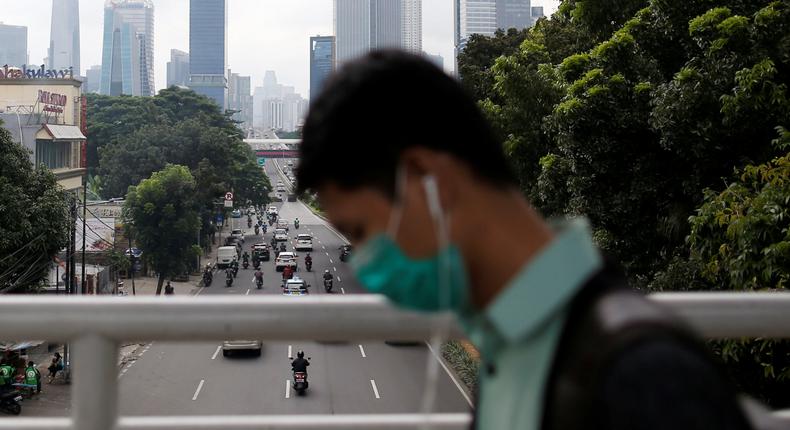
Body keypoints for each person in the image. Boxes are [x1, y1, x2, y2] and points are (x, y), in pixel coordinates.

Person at [295, 50, 752, 430]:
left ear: (422, 177)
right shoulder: (510, 352)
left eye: (361, 232)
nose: (369, 267)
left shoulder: (646, 377)